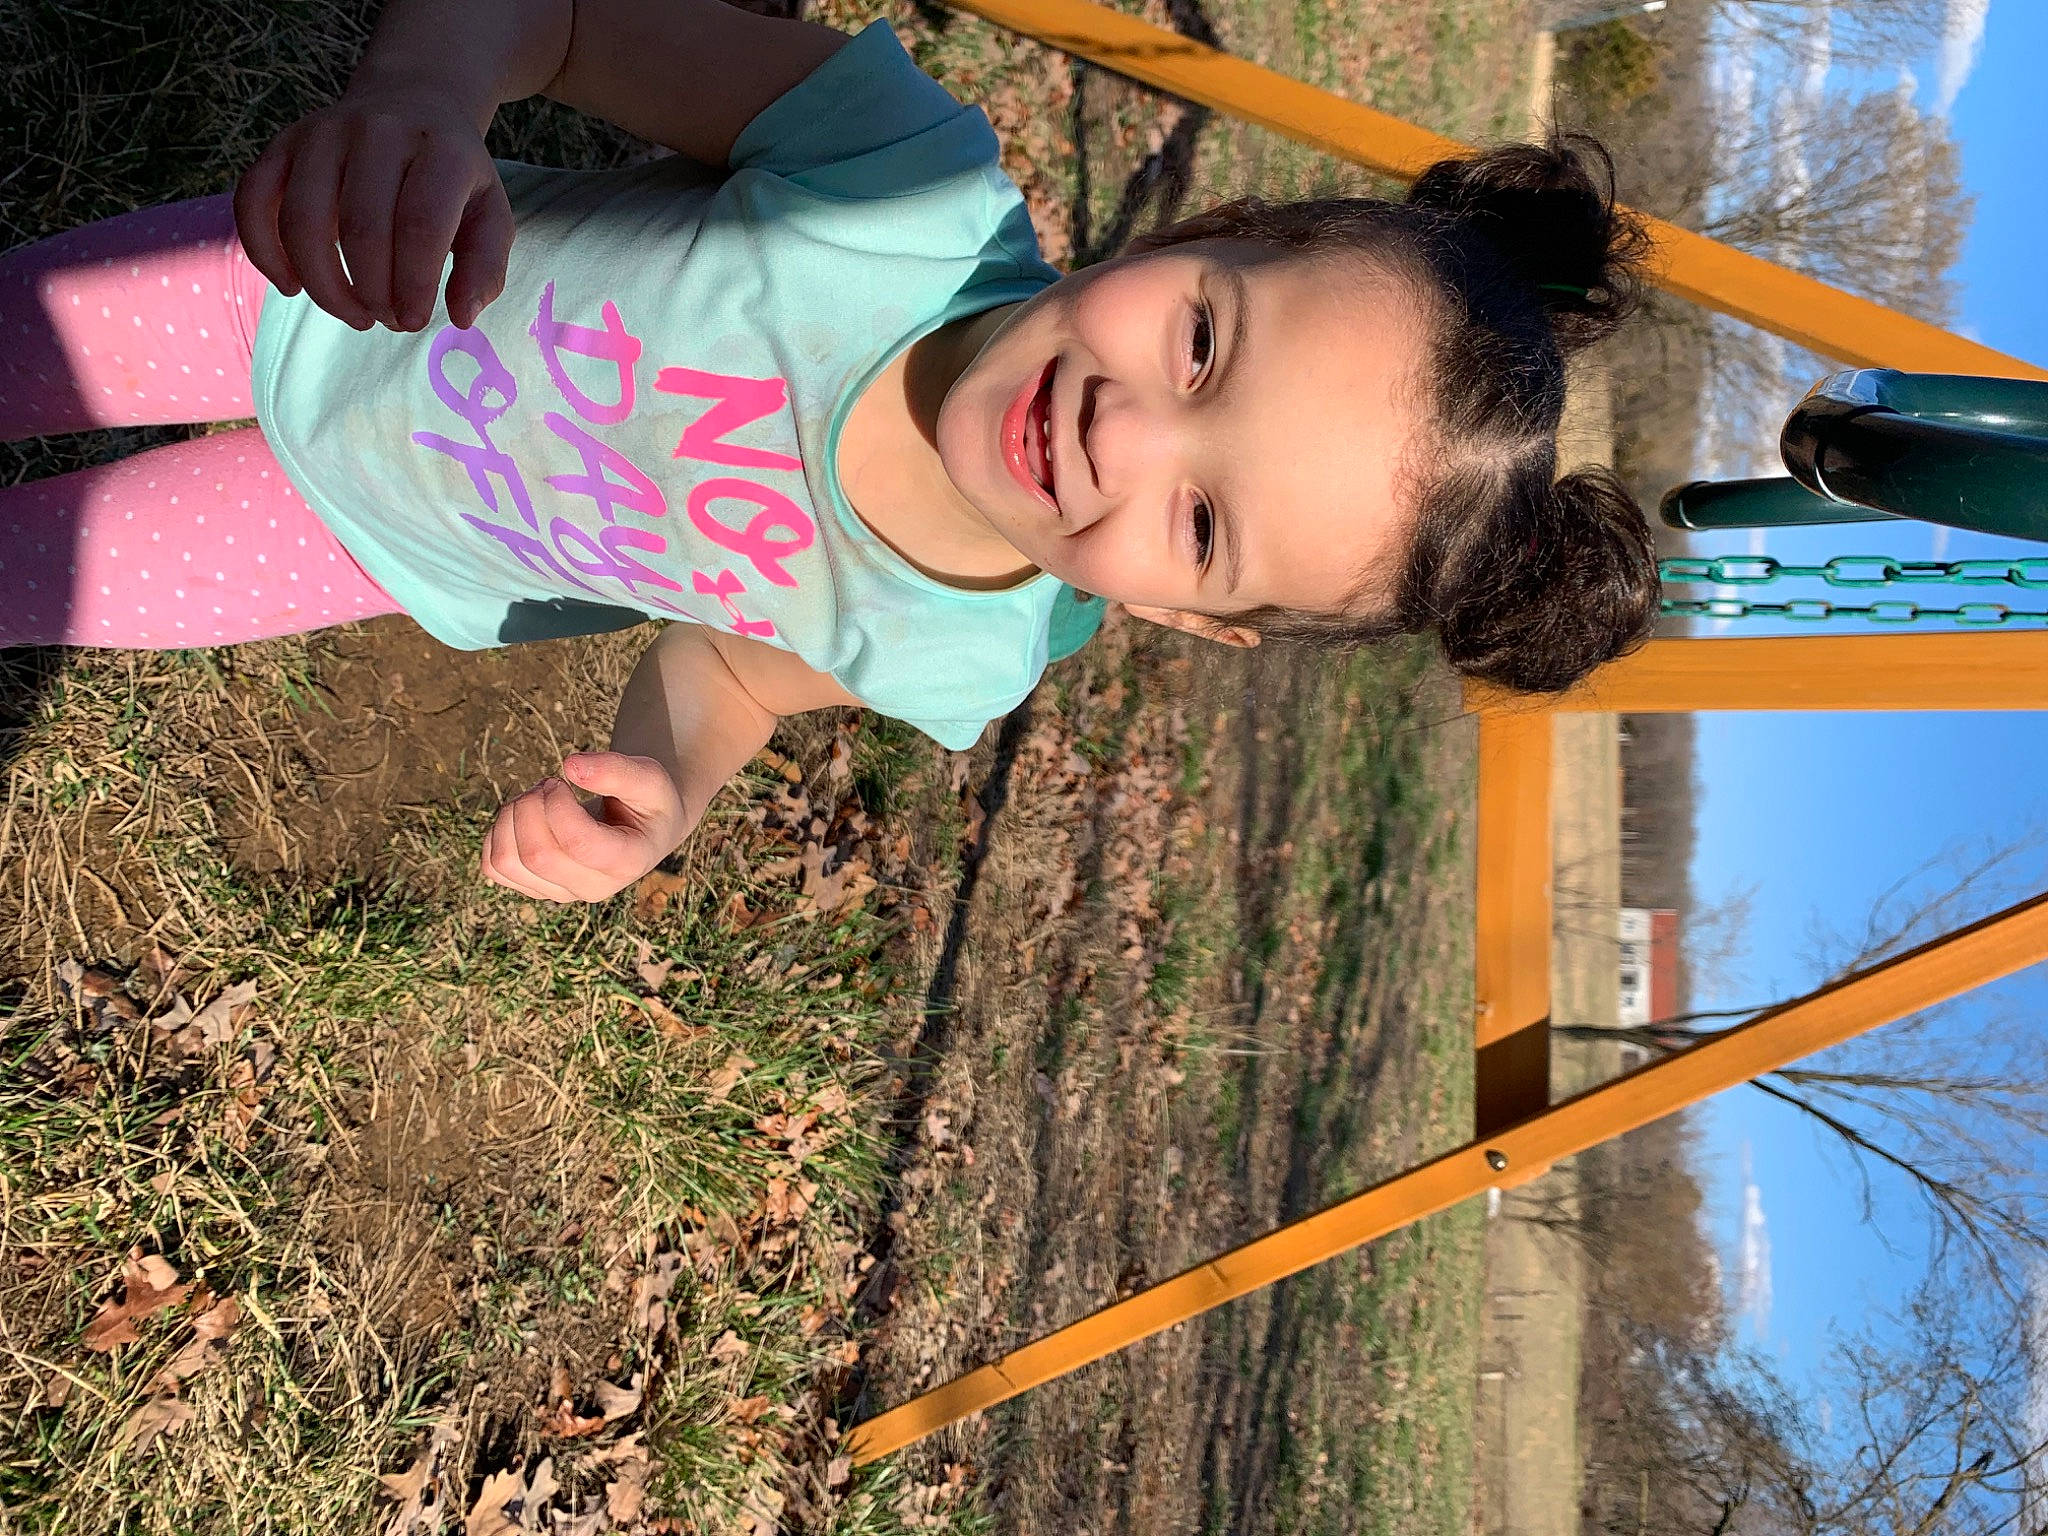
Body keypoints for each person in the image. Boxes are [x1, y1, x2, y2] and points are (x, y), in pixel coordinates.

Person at [0, 0, 1660, 904]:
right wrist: (428, 100)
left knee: (26, 588)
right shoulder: (905, 186)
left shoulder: (965, 643)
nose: (1129, 430)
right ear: (1215, 226)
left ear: (1194, 618)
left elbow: (736, 666)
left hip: (368, 545)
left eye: (1206, 521)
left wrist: (665, 785)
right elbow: (562, 21)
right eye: (1206, 341)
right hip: (306, 286)